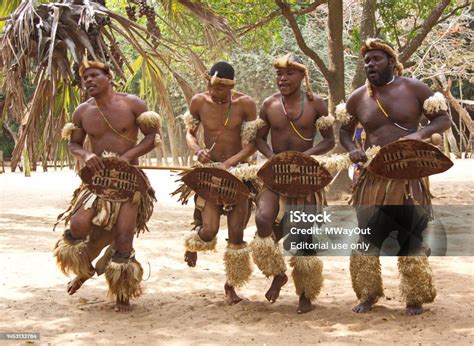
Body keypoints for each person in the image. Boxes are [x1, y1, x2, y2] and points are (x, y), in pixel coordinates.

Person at [339, 38, 451, 315]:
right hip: (373, 175)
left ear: (391, 61)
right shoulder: (357, 97)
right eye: (366, 61)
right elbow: (343, 131)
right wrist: (353, 148)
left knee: (410, 232)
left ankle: (415, 296)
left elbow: (443, 120)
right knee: (368, 233)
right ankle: (368, 293)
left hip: (409, 172)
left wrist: (419, 134)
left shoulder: (413, 88)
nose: (370, 65)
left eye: (376, 59)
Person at [53, 59, 161, 312]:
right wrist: (86, 155)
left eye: (94, 75)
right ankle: (86, 269)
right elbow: (74, 144)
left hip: (129, 182)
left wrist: (125, 158)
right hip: (98, 181)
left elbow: (151, 137)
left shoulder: (133, 103)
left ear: (109, 77)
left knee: (123, 238)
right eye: (85, 78)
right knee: (78, 226)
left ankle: (122, 293)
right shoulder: (82, 111)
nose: (88, 80)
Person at [253, 55, 335, 314]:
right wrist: (272, 157)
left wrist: (308, 156)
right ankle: (277, 273)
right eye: (279, 74)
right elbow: (259, 139)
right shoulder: (269, 104)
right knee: (263, 219)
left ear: (302, 76)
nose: (282, 79)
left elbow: (329, 140)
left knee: (303, 234)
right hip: (275, 175)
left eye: (289, 74)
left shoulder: (316, 104)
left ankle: (306, 294)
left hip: (305, 177)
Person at [178, 61, 261, 304]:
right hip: (210, 173)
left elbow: (253, 143)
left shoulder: (245, 104)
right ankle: (195, 242)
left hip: (239, 175)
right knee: (210, 230)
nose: (215, 93)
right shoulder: (198, 102)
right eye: (212, 87)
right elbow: (189, 133)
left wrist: (232, 163)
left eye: (221, 89)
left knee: (236, 233)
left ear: (231, 87)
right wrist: (197, 150)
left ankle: (230, 286)